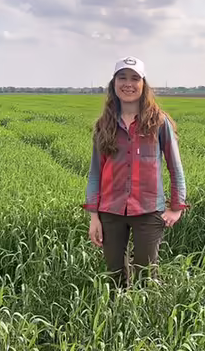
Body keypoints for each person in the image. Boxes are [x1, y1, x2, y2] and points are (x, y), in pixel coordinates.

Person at [83, 56, 188, 289]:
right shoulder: (103, 125)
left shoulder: (159, 122)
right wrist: (94, 217)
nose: (128, 84)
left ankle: (143, 311)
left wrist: (176, 208)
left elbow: (175, 167)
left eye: (134, 78)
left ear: (143, 84)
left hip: (148, 211)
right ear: (114, 83)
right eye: (122, 78)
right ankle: (116, 311)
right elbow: (95, 173)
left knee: (146, 276)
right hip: (110, 211)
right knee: (114, 275)